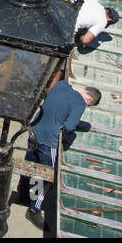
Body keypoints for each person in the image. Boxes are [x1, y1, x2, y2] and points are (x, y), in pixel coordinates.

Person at [26, 80, 102, 230]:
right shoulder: (80, 103)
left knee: (30, 166)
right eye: (88, 105)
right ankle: (34, 210)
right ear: (89, 100)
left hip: (34, 131)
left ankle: (24, 192)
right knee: (48, 177)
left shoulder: (61, 85)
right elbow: (69, 126)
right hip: (48, 142)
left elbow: (57, 109)